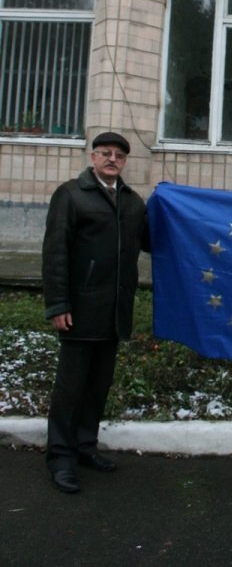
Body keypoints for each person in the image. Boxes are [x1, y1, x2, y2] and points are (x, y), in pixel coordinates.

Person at [42, 131, 151, 494]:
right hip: (80, 309)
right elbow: (55, 253)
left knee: (98, 386)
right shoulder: (71, 194)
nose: (112, 159)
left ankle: (85, 446)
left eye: (119, 155)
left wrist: (174, 205)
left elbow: (150, 241)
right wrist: (58, 305)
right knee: (70, 388)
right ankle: (60, 457)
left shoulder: (133, 202)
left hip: (115, 311)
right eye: (105, 153)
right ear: (93, 157)